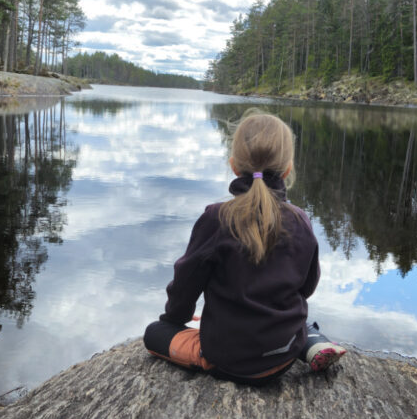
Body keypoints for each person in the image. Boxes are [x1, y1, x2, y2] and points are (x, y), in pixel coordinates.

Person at [144, 110, 346, 385]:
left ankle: (202, 351)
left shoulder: (217, 218)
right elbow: (307, 287)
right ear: (287, 170)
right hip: (282, 356)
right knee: (299, 325)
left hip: (227, 360)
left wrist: (174, 319)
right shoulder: (301, 220)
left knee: (154, 332)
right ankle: (313, 344)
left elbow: (185, 283)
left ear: (234, 166)